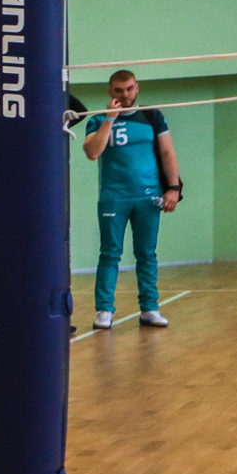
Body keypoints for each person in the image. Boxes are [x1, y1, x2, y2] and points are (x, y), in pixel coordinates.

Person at [83, 68, 182, 328]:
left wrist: (174, 188)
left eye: (129, 89)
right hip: (113, 197)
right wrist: (109, 119)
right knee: (110, 253)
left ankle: (149, 308)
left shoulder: (152, 117)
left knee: (147, 253)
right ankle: (104, 310)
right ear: (110, 91)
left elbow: (167, 152)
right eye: (119, 90)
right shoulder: (96, 120)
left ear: (137, 88)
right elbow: (93, 152)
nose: (125, 95)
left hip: (148, 197)